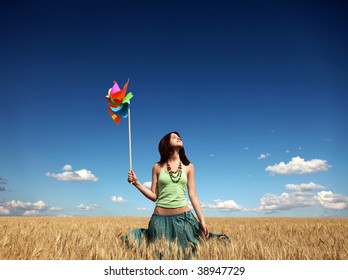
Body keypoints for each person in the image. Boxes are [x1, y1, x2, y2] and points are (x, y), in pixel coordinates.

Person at [125, 131, 228, 258]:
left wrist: (202, 220)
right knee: (159, 255)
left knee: (188, 254)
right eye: (174, 137)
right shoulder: (157, 167)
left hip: (183, 220)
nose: (178, 138)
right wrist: (136, 183)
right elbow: (154, 196)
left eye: (179, 136)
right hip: (159, 221)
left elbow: (193, 194)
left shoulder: (189, 166)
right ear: (166, 143)